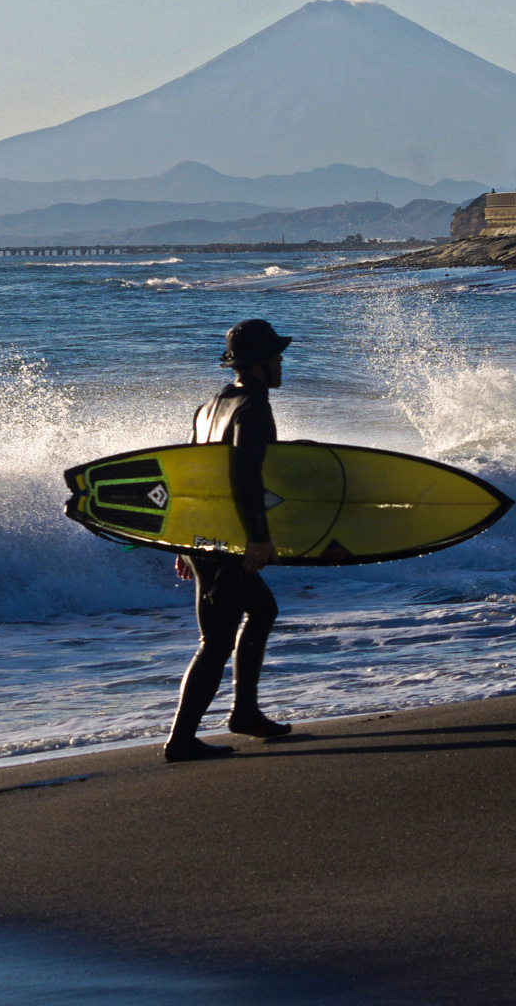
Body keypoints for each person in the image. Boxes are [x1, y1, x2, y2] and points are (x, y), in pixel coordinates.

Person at [164, 318, 295, 762]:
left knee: (262, 609)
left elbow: (190, 476)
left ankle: (245, 712)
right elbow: (245, 473)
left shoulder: (209, 407)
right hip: (229, 539)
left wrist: (185, 542)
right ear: (258, 362)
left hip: (206, 535)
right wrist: (258, 539)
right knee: (216, 641)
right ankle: (181, 740)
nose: (281, 363)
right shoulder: (253, 407)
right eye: (276, 356)